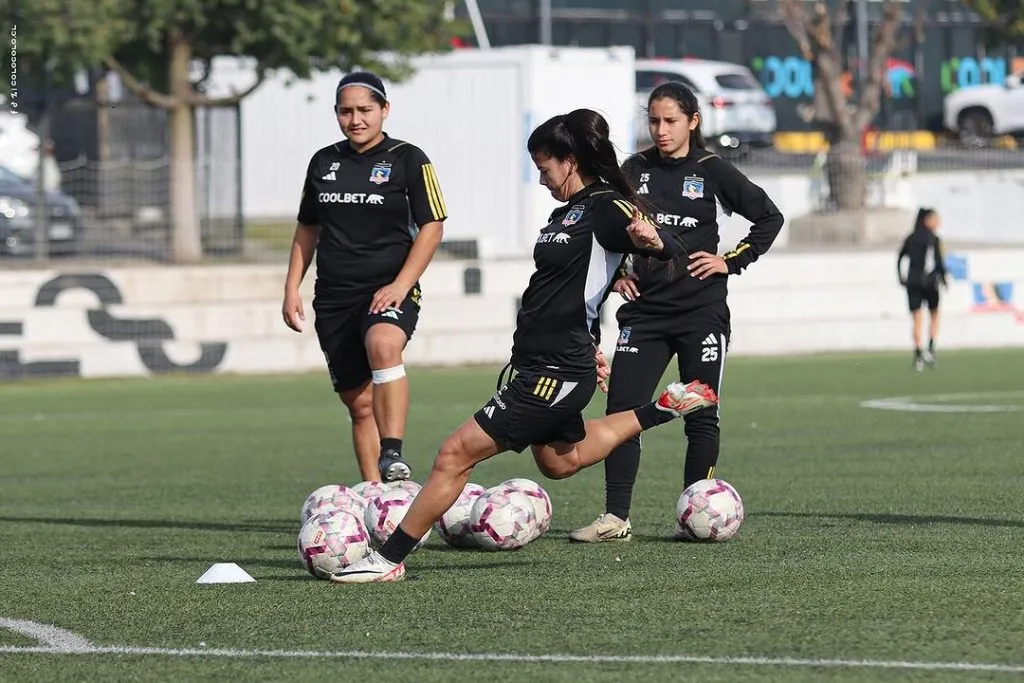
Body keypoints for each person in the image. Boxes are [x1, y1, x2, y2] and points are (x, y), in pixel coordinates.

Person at [330, 108, 719, 583]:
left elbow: (668, 249)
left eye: (544, 168)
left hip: (555, 372)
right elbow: (578, 281)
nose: (541, 179)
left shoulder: (608, 207)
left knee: (454, 455)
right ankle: (659, 410)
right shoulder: (566, 212)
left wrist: (653, 242)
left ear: (569, 160)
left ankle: (388, 558)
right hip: (546, 361)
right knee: (561, 462)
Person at [568, 82, 784, 543]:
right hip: (644, 316)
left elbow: (769, 217)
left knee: (701, 412)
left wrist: (732, 260)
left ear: (693, 121)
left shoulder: (712, 170)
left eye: (670, 121)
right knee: (621, 411)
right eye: (653, 121)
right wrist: (620, 271)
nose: (661, 130)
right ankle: (615, 518)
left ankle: (696, 512)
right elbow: (607, 230)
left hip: (700, 313)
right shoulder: (632, 170)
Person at [282, 72, 447, 483]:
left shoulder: (410, 159)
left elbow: (433, 226)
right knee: (358, 406)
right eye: (345, 111)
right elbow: (307, 228)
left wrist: (401, 285)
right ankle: (375, 495)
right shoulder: (323, 162)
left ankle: (393, 453)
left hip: (389, 288)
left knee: (384, 343)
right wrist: (291, 289)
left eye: (364, 110)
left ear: (384, 110)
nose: (355, 119)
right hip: (334, 297)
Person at [898, 208, 946, 371]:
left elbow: (900, 258)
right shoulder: (933, 239)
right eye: (935, 219)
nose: (937, 222)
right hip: (929, 282)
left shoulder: (910, 238)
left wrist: (901, 277)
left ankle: (918, 354)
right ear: (927, 220)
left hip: (913, 282)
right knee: (934, 315)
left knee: (917, 318)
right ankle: (931, 349)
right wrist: (943, 279)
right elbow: (937, 262)